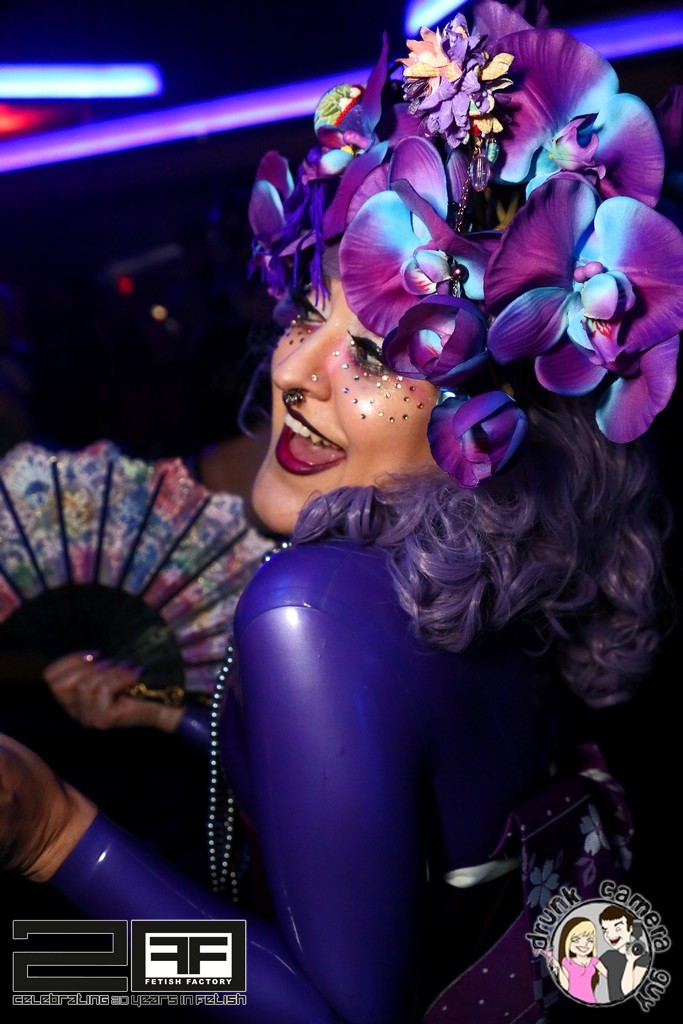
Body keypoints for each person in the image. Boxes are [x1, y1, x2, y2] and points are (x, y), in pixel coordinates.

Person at [1, 3, 681, 1021]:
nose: (292, 373)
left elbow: (329, 1015)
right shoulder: (492, 590)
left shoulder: (304, 606)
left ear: (492, 425)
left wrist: (55, 839)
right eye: (306, 312)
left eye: (373, 354)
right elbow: (408, 809)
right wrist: (176, 714)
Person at [550, 917, 607, 1004]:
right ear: (567, 941)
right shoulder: (567, 962)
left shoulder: (594, 961)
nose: (584, 944)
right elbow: (565, 986)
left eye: (590, 940)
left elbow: (610, 976)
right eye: (576, 940)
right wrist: (557, 967)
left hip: (590, 1001)